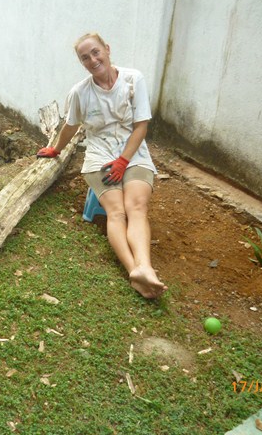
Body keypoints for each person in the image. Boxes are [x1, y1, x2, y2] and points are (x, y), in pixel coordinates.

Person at [37, 32, 167, 299]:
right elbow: (71, 125)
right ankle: (135, 272)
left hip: (133, 152)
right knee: (116, 212)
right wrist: (56, 149)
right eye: (85, 58)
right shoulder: (80, 92)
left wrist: (123, 161)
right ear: (82, 63)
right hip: (99, 154)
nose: (93, 60)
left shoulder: (133, 80)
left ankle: (145, 267)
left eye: (96, 52)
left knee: (136, 207)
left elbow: (141, 126)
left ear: (107, 49)